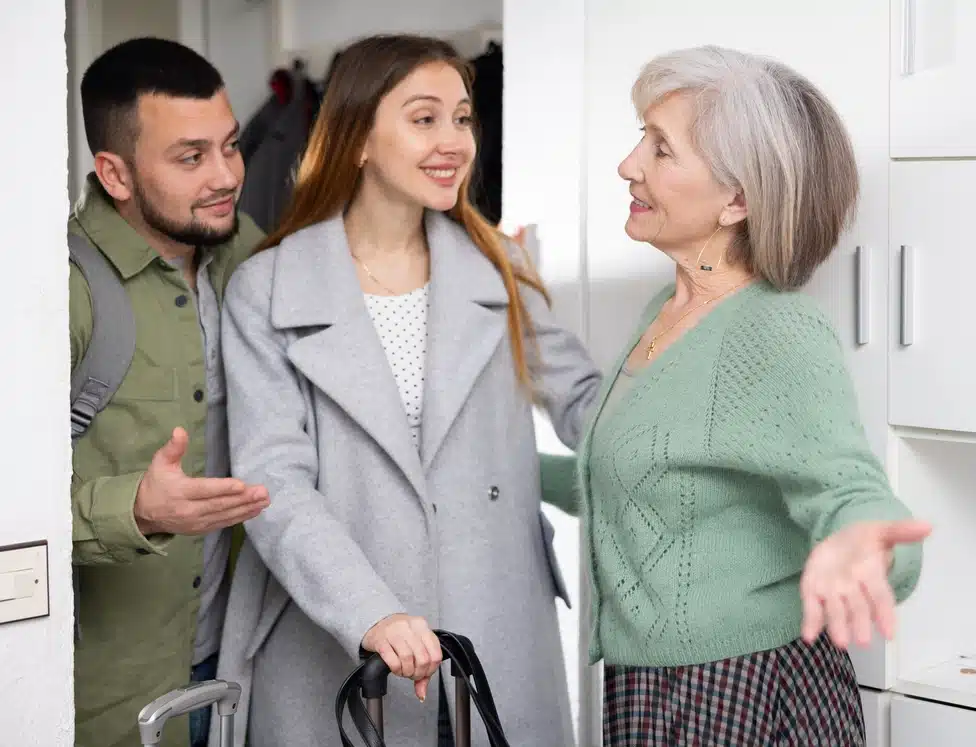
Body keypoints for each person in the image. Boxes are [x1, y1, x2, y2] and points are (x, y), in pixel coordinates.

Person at [212, 34, 601, 747]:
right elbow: (273, 482)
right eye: (425, 118)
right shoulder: (266, 288)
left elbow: (586, 403)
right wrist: (371, 612)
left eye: (461, 117)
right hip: (334, 631)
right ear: (357, 137)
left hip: (494, 617)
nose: (454, 140)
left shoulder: (498, 264)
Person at [557, 45, 932, 745]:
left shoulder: (774, 330)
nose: (629, 164)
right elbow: (643, 485)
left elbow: (852, 490)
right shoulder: (664, 313)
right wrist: (495, 475)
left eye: (661, 149)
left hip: (742, 691)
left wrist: (865, 541)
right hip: (653, 685)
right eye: (642, 137)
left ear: (738, 198)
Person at [69, 37, 270, 747]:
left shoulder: (244, 252)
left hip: (239, 672)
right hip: (109, 701)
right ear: (115, 175)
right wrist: (135, 507)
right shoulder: (56, 291)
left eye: (232, 146)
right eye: (190, 158)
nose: (225, 176)